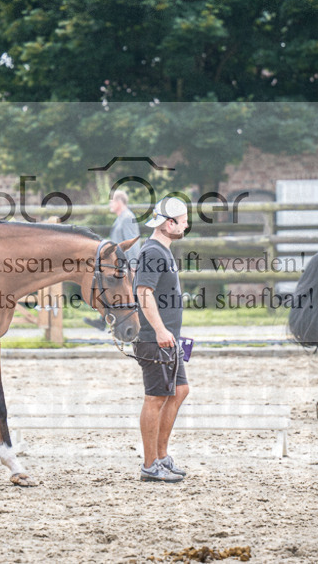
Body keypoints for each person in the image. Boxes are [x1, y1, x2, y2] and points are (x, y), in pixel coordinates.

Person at [132, 196, 190, 482]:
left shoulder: (162, 251)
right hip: (156, 339)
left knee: (179, 391)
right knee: (155, 398)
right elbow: (144, 292)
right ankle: (149, 464)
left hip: (169, 338)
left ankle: (162, 456)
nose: (187, 225)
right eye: (183, 221)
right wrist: (159, 329)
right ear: (169, 223)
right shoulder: (153, 252)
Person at [84, 190, 142, 330]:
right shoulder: (120, 218)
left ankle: (136, 324)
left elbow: (132, 242)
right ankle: (103, 319)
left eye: (112, 201)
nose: (110, 204)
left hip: (125, 264)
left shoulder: (127, 217)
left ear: (119, 202)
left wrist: (133, 265)